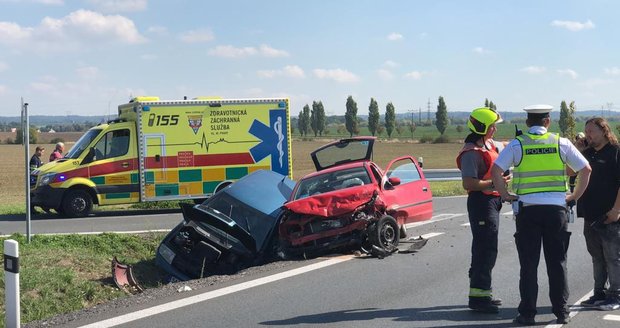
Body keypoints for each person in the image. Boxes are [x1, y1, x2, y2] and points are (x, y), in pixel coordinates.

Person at [491, 104, 591, 325]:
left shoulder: (518, 144)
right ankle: (562, 311)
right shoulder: (560, 142)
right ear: (548, 122)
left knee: (529, 265)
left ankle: (527, 313)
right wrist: (574, 196)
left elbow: (496, 170)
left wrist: (506, 195)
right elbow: (586, 169)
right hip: (556, 210)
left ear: (527, 123)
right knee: (557, 263)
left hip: (527, 211)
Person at [455, 107, 509, 313]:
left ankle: (484, 292)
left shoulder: (487, 145)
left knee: (488, 248)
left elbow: (503, 146)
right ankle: (478, 300)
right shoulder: (471, 152)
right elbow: (468, 183)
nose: (495, 129)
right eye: (492, 126)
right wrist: (493, 183)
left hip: (491, 202)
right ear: (482, 127)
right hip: (481, 203)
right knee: (484, 250)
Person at [575, 117, 620, 311]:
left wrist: (617, 210)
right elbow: (569, 171)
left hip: (609, 214)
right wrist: (578, 150)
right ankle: (599, 293)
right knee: (596, 256)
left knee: (613, 256)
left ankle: (615, 295)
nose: (588, 135)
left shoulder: (615, 152)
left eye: (592, 131)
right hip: (590, 214)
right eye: (586, 131)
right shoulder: (588, 153)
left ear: (604, 130)